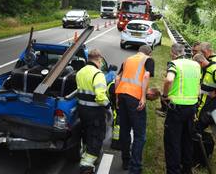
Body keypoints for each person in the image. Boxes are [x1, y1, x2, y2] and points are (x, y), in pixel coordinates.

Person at [162, 43, 201, 174]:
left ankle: (173, 171)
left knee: (173, 141)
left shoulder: (174, 64)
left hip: (177, 109)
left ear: (173, 53)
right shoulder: (196, 65)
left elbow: (169, 80)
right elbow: (197, 85)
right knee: (187, 140)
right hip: (192, 107)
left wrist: (165, 95)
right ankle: (187, 169)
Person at [115, 45, 154, 174]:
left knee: (125, 130)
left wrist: (116, 98)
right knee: (140, 135)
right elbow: (146, 76)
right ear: (149, 53)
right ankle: (135, 168)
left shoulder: (128, 59)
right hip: (134, 98)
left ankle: (125, 161)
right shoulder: (148, 60)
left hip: (122, 96)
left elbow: (117, 78)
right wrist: (143, 97)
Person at [76, 49, 110, 174]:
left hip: (82, 110)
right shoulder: (98, 74)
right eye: (101, 61)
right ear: (99, 59)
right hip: (95, 112)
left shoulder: (80, 72)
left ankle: (86, 155)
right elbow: (100, 96)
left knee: (87, 134)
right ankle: (86, 166)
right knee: (96, 136)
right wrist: (108, 106)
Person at [193, 53, 216, 132]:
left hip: (211, 102)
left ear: (201, 62)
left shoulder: (214, 69)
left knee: (203, 120)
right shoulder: (205, 68)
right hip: (204, 99)